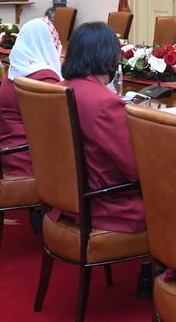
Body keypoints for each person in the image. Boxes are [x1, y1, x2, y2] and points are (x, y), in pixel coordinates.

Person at [60, 22, 150, 296]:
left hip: (70, 199)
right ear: (107, 58)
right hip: (109, 203)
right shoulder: (103, 102)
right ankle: (165, 274)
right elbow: (136, 169)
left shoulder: (60, 89)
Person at [0, 17, 62, 176]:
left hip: (7, 152)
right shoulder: (44, 79)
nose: (57, 45)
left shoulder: (15, 70)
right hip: (30, 160)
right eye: (54, 41)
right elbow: (60, 127)